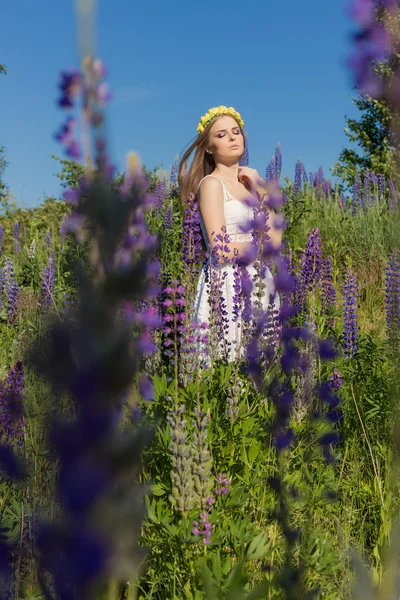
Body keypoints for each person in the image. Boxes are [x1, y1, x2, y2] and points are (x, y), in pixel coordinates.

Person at [178, 105, 282, 366]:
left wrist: (261, 187)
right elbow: (220, 248)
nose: (233, 137)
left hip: (259, 284)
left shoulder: (250, 186)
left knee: (261, 373)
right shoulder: (211, 184)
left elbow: (277, 240)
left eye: (236, 132)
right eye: (222, 134)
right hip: (225, 286)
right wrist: (260, 247)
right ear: (209, 147)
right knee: (229, 366)